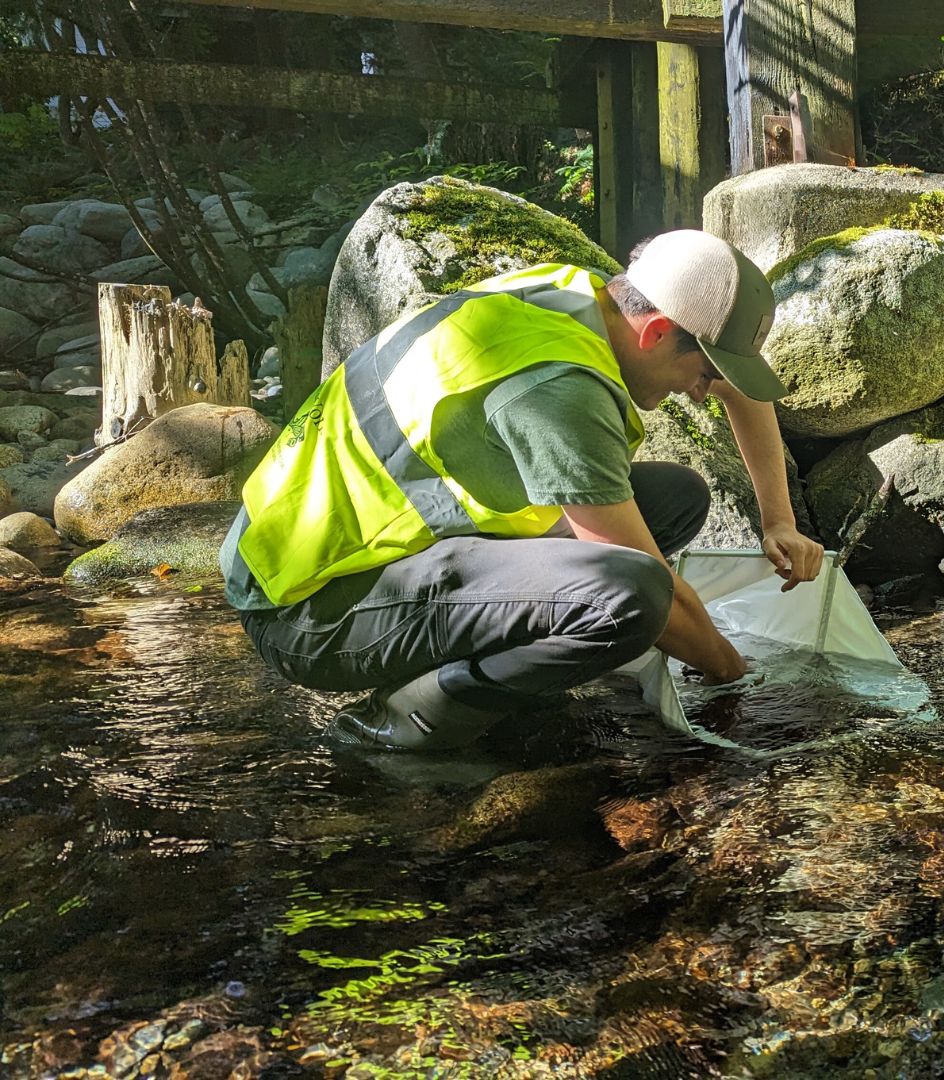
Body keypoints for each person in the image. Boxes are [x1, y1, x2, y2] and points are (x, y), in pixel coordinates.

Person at [219, 230, 825, 750]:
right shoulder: (559, 387)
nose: (703, 391)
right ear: (659, 332)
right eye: (705, 373)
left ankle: (522, 655)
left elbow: (739, 388)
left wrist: (779, 520)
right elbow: (651, 588)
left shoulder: (588, 298)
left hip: (334, 549)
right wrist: (737, 679)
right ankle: (407, 716)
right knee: (630, 598)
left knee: (675, 499)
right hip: (305, 609)